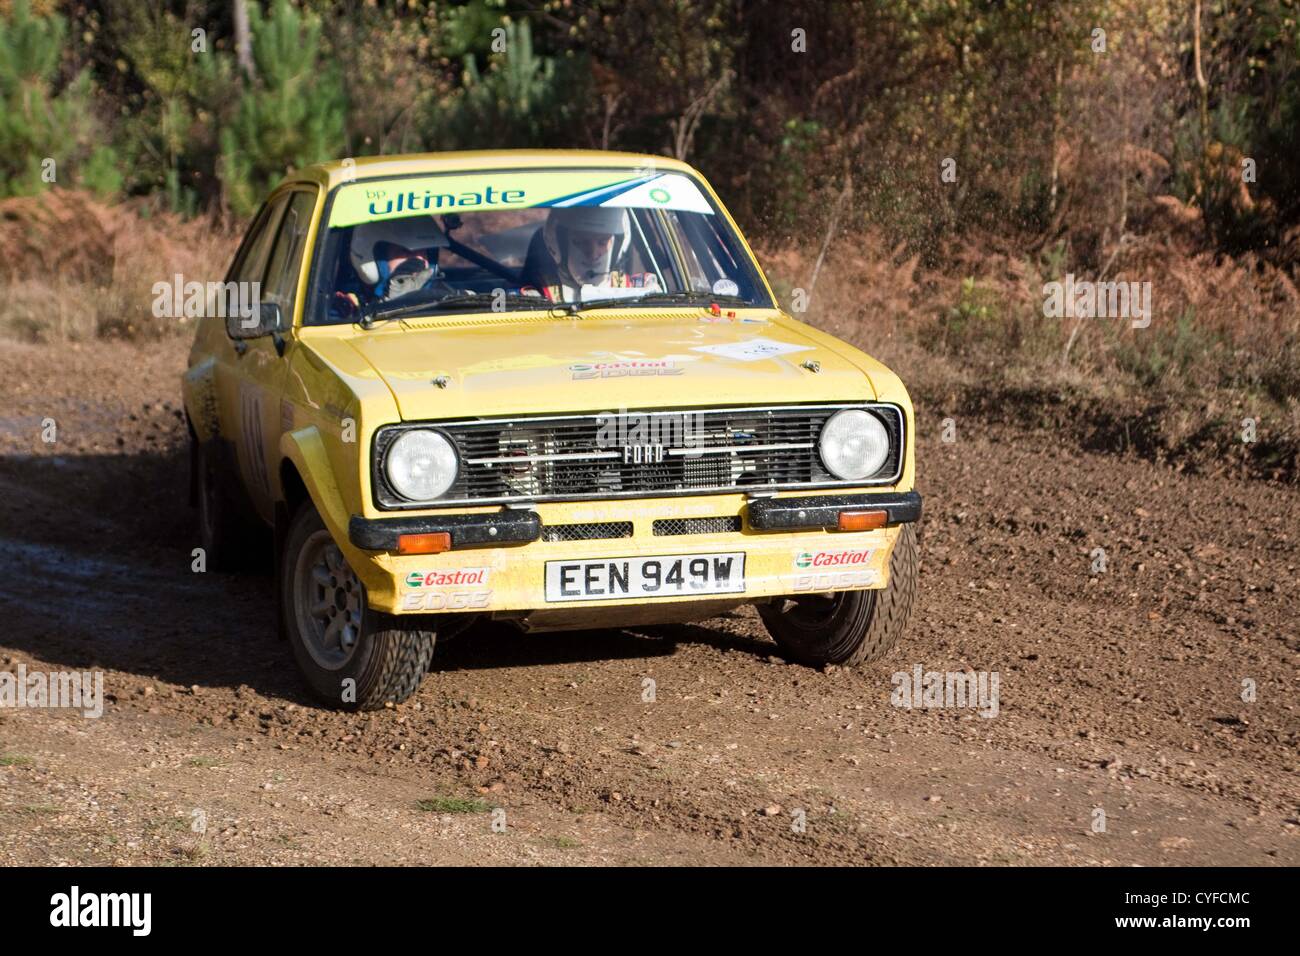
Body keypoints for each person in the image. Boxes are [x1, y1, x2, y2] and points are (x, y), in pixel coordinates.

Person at [525, 206, 659, 303]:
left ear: (619, 245)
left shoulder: (644, 291)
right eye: (580, 242)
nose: (593, 254)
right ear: (558, 244)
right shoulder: (531, 299)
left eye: (602, 242)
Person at [332, 216, 451, 318]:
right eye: (405, 252)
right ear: (371, 257)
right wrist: (388, 305)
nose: (420, 260)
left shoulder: (451, 301)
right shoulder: (339, 311)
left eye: (424, 252)